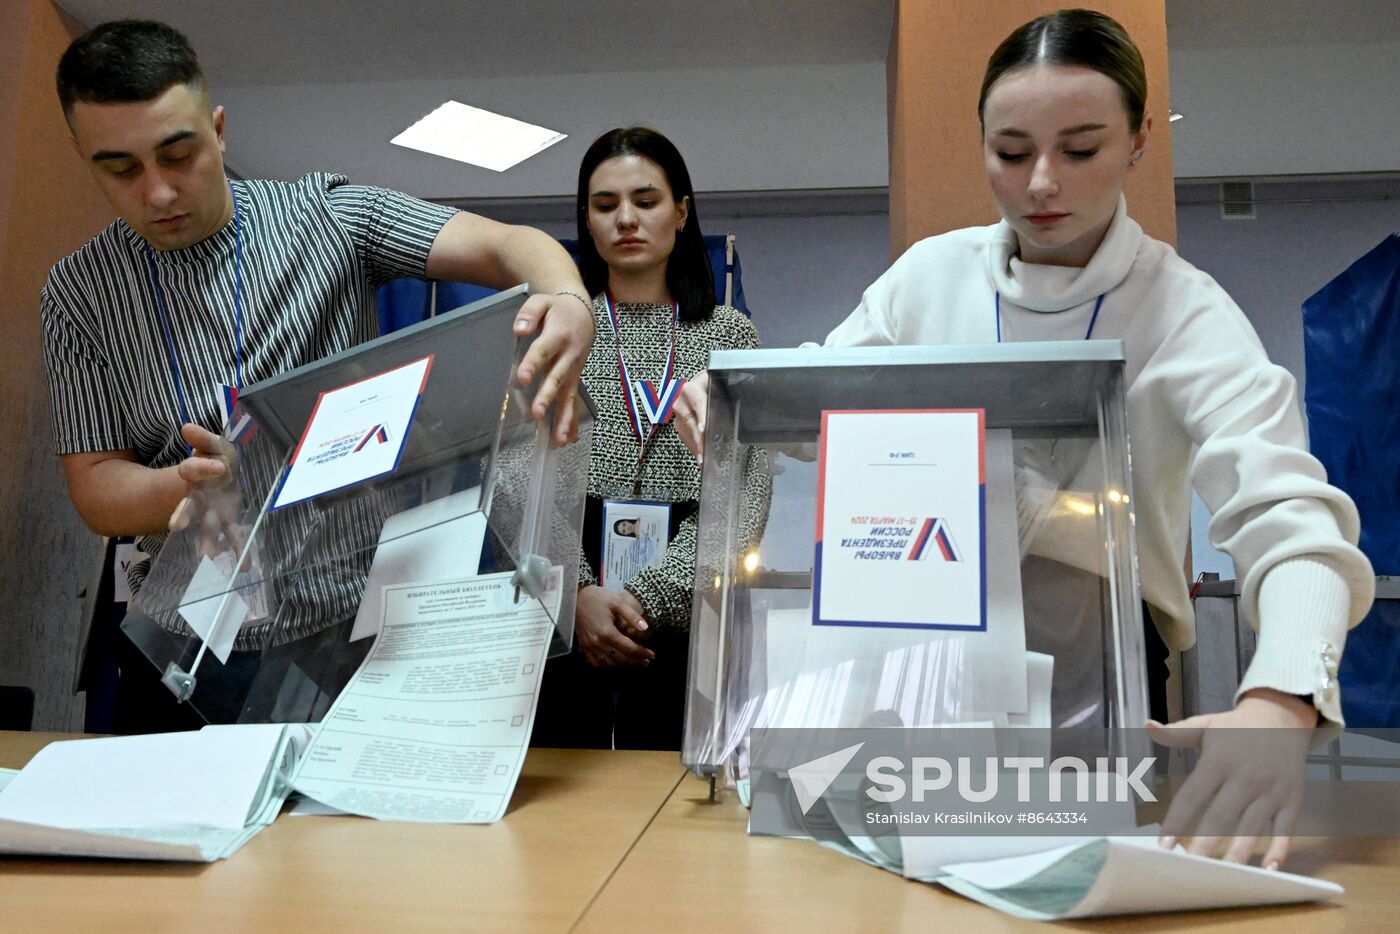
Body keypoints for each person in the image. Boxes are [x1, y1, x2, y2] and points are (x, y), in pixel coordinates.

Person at [672, 9, 1374, 867]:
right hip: (915, 652)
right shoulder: (932, 276)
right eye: (1010, 151)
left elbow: (1291, 515)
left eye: (1081, 150)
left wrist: (1282, 696)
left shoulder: (1184, 310)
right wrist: (732, 395)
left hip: (1101, 673)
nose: (1042, 182)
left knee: (1071, 877)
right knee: (875, 891)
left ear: (1141, 138)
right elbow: (819, 400)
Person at [42, 20, 595, 730]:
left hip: (356, 628)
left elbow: (510, 245)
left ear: (217, 130)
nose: (157, 193)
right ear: (83, 156)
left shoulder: (327, 218)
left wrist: (569, 298)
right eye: (120, 169)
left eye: (177, 155)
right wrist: (179, 489)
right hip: (184, 649)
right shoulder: (78, 292)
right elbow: (94, 486)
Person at [530, 127, 769, 750]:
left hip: (692, 599)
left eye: (646, 200)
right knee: (563, 813)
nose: (626, 219)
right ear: (585, 219)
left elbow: (745, 492)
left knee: (680, 804)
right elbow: (515, 480)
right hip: (568, 603)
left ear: (682, 211)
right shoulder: (556, 332)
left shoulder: (729, 336)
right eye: (605, 205)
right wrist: (575, 595)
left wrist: (646, 599)